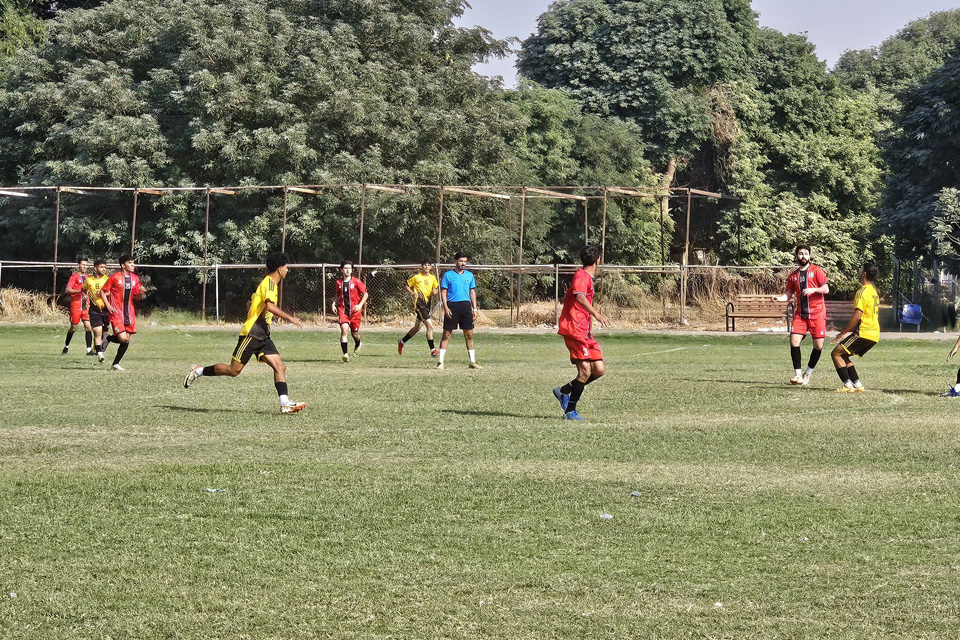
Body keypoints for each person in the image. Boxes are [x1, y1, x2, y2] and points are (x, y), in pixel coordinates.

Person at [184, 252, 307, 414]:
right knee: (233, 370)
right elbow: (269, 306)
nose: (287, 270)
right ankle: (198, 371)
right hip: (252, 334)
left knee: (280, 367)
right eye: (286, 267)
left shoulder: (269, 284)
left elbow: (252, 303)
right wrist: (290, 318)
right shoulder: (269, 284)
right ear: (279, 269)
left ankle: (285, 403)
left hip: (263, 335)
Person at [552, 244, 608, 421]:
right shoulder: (582, 276)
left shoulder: (587, 277)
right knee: (584, 371)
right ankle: (570, 411)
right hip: (574, 329)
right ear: (598, 260)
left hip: (585, 330)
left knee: (598, 370)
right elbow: (579, 296)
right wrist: (596, 313)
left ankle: (564, 391)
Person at [781, 244, 829, 386]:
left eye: (806, 253)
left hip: (817, 314)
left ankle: (807, 373)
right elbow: (787, 295)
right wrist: (778, 298)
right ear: (797, 256)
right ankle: (797, 375)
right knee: (794, 341)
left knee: (818, 346)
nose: (803, 256)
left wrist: (813, 290)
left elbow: (825, 289)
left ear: (809, 256)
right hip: (801, 315)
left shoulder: (816, 270)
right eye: (801, 253)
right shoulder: (793, 276)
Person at [831, 263, 880, 393]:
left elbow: (858, 316)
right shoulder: (874, 291)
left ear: (864, 273)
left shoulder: (862, 292)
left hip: (863, 333)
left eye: (860, 270)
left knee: (836, 353)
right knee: (844, 355)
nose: (858, 272)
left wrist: (843, 332)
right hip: (874, 335)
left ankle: (847, 385)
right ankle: (858, 385)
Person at [99, 254, 144, 371]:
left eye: (133, 263)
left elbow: (138, 298)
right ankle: (108, 338)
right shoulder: (115, 277)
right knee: (123, 339)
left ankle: (115, 364)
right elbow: (102, 291)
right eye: (130, 263)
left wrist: (141, 293)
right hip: (117, 312)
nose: (133, 265)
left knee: (126, 339)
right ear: (123, 265)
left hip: (129, 313)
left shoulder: (135, 279)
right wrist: (108, 306)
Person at [437, 251, 480, 370]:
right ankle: (440, 362)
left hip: (466, 306)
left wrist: (474, 309)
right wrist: (445, 307)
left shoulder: (469, 275)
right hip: (452, 306)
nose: (463, 263)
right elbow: (443, 291)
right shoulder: (448, 275)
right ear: (456, 261)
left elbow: (472, 291)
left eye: (465, 261)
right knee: (446, 334)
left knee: (469, 334)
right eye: (461, 261)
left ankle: (472, 361)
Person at [398, 260, 440, 357]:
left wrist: (435, 291)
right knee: (430, 326)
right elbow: (407, 286)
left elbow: (436, 288)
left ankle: (402, 342)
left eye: (428, 265)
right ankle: (433, 350)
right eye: (425, 265)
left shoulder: (432, 278)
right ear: (422, 267)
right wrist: (412, 293)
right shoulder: (417, 277)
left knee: (417, 328)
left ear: (431, 267)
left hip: (427, 305)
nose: (426, 266)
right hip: (419, 305)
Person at [332, 260, 368, 362]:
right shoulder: (339, 282)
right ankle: (345, 354)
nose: (347, 270)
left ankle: (358, 343)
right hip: (343, 310)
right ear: (342, 270)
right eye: (345, 268)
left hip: (355, 312)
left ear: (352, 270)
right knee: (344, 330)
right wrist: (334, 303)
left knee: (354, 333)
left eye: (349, 268)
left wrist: (360, 305)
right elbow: (338, 294)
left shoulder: (356, 281)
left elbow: (365, 294)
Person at [61, 256, 94, 356]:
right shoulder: (74, 277)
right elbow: (67, 289)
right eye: (83, 265)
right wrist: (79, 290)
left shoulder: (88, 277)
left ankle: (89, 350)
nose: (85, 267)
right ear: (78, 265)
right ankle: (66, 346)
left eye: (86, 265)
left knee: (88, 327)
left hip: (85, 307)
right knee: (73, 328)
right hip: (76, 307)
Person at [82, 259, 110, 364]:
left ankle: (99, 347)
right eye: (101, 267)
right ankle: (100, 354)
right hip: (94, 310)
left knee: (105, 333)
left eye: (105, 267)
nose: (104, 269)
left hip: (106, 309)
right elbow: (83, 289)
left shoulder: (108, 280)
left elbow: (113, 291)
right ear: (95, 268)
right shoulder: (89, 280)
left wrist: (104, 294)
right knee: (97, 332)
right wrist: (84, 295)